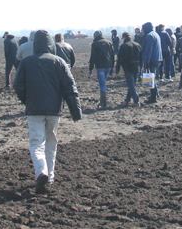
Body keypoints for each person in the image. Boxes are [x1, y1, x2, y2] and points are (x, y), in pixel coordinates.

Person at [13, 29, 81, 194]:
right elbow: (70, 88)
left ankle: (41, 172)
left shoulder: (26, 62)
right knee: (51, 143)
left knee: (37, 143)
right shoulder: (59, 62)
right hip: (54, 110)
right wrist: (75, 111)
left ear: (35, 44)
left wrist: (27, 101)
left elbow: (18, 86)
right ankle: (49, 176)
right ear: (51, 44)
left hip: (34, 110)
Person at [88, 30, 114, 110]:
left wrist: (90, 68)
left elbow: (93, 57)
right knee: (103, 83)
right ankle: (102, 102)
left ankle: (103, 103)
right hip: (108, 66)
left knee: (102, 85)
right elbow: (112, 55)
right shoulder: (108, 42)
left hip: (100, 67)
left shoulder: (95, 44)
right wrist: (112, 66)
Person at [117, 32, 141, 105]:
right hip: (136, 67)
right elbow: (141, 57)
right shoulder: (137, 45)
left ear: (124, 38)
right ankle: (127, 100)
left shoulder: (124, 46)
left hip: (128, 67)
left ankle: (136, 100)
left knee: (131, 85)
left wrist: (117, 68)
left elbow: (120, 58)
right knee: (132, 84)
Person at [141, 22, 162, 103]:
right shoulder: (155, 34)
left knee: (151, 78)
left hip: (152, 59)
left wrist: (146, 62)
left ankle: (153, 97)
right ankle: (156, 94)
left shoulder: (149, 36)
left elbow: (148, 50)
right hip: (158, 58)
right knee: (153, 77)